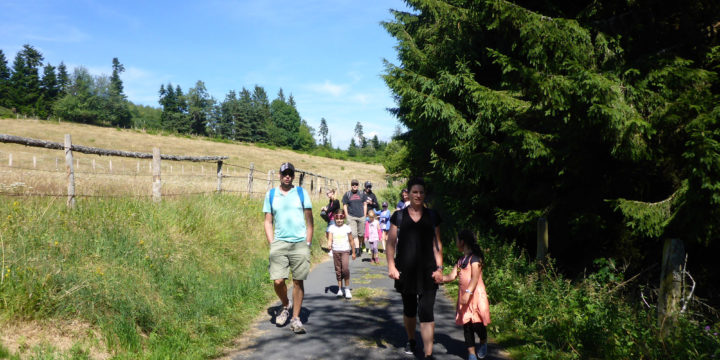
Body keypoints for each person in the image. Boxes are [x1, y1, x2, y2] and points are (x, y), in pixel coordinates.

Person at [386, 177, 443, 359]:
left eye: (421, 192)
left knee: (427, 311)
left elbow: (437, 245)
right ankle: (411, 339)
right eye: (415, 192)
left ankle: (428, 353)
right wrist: (391, 266)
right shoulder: (399, 216)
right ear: (408, 194)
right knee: (409, 310)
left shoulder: (433, 216)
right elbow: (390, 243)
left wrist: (440, 268)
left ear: (425, 194)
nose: (418, 195)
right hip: (405, 271)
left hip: (428, 271)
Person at [263, 162, 313, 334]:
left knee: (298, 281)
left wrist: (307, 242)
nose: (287, 176)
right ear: (279, 175)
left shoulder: (301, 193)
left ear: (293, 175)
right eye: (285, 173)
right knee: (278, 280)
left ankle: (296, 318)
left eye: (290, 173)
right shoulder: (271, 194)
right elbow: (268, 221)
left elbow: (309, 221)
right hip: (279, 243)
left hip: (299, 243)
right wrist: (272, 242)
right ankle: (286, 304)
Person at [441, 229, 491, 360]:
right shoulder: (461, 260)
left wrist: (468, 293)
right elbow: (451, 276)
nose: (456, 243)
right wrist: (438, 278)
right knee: (467, 326)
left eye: (457, 240)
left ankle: (483, 341)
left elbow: (475, 278)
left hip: (475, 297)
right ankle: (471, 353)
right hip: (464, 298)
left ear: (462, 242)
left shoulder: (475, 259)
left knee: (477, 324)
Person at [327, 209, 355, 299]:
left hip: (345, 251)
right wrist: (329, 244)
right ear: (334, 218)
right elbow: (330, 238)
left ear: (344, 218)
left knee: (345, 269)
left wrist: (353, 252)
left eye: (341, 218)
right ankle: (340, 289)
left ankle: (347, 289)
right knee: (338, 271)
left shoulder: (347, 228)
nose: (339, 220)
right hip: (336, 251)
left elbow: (351, 240)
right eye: (337, 218)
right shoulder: (332, 228)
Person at [342, 179, 366, 255]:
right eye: (353, 184)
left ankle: (360, 245)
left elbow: (365, 204)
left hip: (361, 216)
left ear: (358, 185)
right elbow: (344, 205)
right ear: (351, 185)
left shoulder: (362, 193)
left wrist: (364, 215)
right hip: (351, 217)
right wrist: (347, 216)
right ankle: (357, 250)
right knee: (354, 234)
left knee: (361, 234)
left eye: (356, 184)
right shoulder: (347, 194)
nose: (354, 186)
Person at [321, 189, 341, 253]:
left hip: (334, 220)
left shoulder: (336, 201)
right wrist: (324, 207)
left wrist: (326, 209)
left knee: (330, 233)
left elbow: (330, 209)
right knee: (327, 233)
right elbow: (328, 207)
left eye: (328, 193)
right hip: (330, 220)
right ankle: (333, 247)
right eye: (326, 193)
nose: (327, 194)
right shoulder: (331, 201)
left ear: (332, 193)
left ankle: (333, 248)